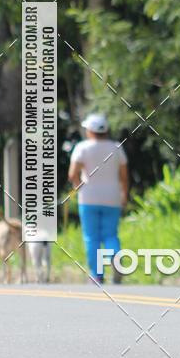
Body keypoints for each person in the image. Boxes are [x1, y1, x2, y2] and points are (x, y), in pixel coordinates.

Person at [68, 113, 128, 284]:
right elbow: (124, 176)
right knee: (110, 234)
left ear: (90, 131)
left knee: (92, 237)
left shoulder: (82, 147)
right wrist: (124, 195)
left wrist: (79, 187)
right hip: (113, 197)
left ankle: (97, 274)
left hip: (89, 198)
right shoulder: (117, 147)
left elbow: (72, 174)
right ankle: (115, 256)